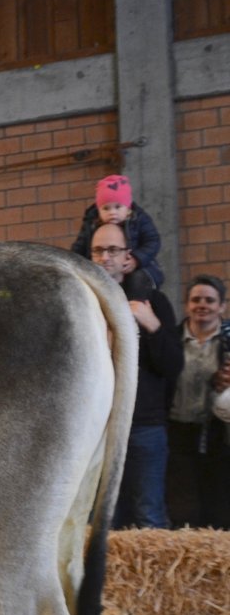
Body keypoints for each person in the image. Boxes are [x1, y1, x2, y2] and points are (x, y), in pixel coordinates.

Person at [91, 223, 182, 528]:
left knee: (148, 516)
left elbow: (173, 365)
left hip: (144, 426)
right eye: (98, 251)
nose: (105, 257)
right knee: (102, 518)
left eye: (112, 250)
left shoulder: (153, 301)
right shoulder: (85, 304)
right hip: (98, 428)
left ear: (127, 256)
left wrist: (151, 324)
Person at [166, 275, 230, 529]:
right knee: (183, 506)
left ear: (222, 306)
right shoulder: (170, 339)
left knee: (220, 502)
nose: (202, 305)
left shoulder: (228, 340)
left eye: (210, 300)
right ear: (187, 305)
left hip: (219, 432)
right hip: (177, 429)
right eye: (196, 300)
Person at [71, 174, 165, 289]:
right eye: (106, 208)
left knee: (137, 279)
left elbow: (152, 241)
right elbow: (79, 247)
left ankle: (137, 299)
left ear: (128, 209)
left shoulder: (139, 219)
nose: (112, 212)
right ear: (99, 211)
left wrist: (137, 259)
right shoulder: (91, 223)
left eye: (118, 207)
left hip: (138, 267)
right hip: (101, 270)